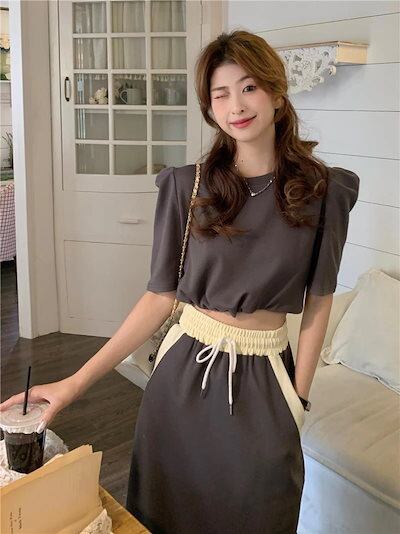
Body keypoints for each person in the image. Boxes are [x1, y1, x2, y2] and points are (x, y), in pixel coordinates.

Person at [0, 30, 359, 534]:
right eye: (220, 94)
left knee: (261, 511)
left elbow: (320, 300)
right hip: (183, 376)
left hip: (267, 379)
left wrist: (296, 398)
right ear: (209, 108)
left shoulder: (324, 192)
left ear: (277, 93)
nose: (237, 105)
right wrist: (73, 384)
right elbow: (159, 298)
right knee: (166, 514)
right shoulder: (187, 187)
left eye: (249, 87)